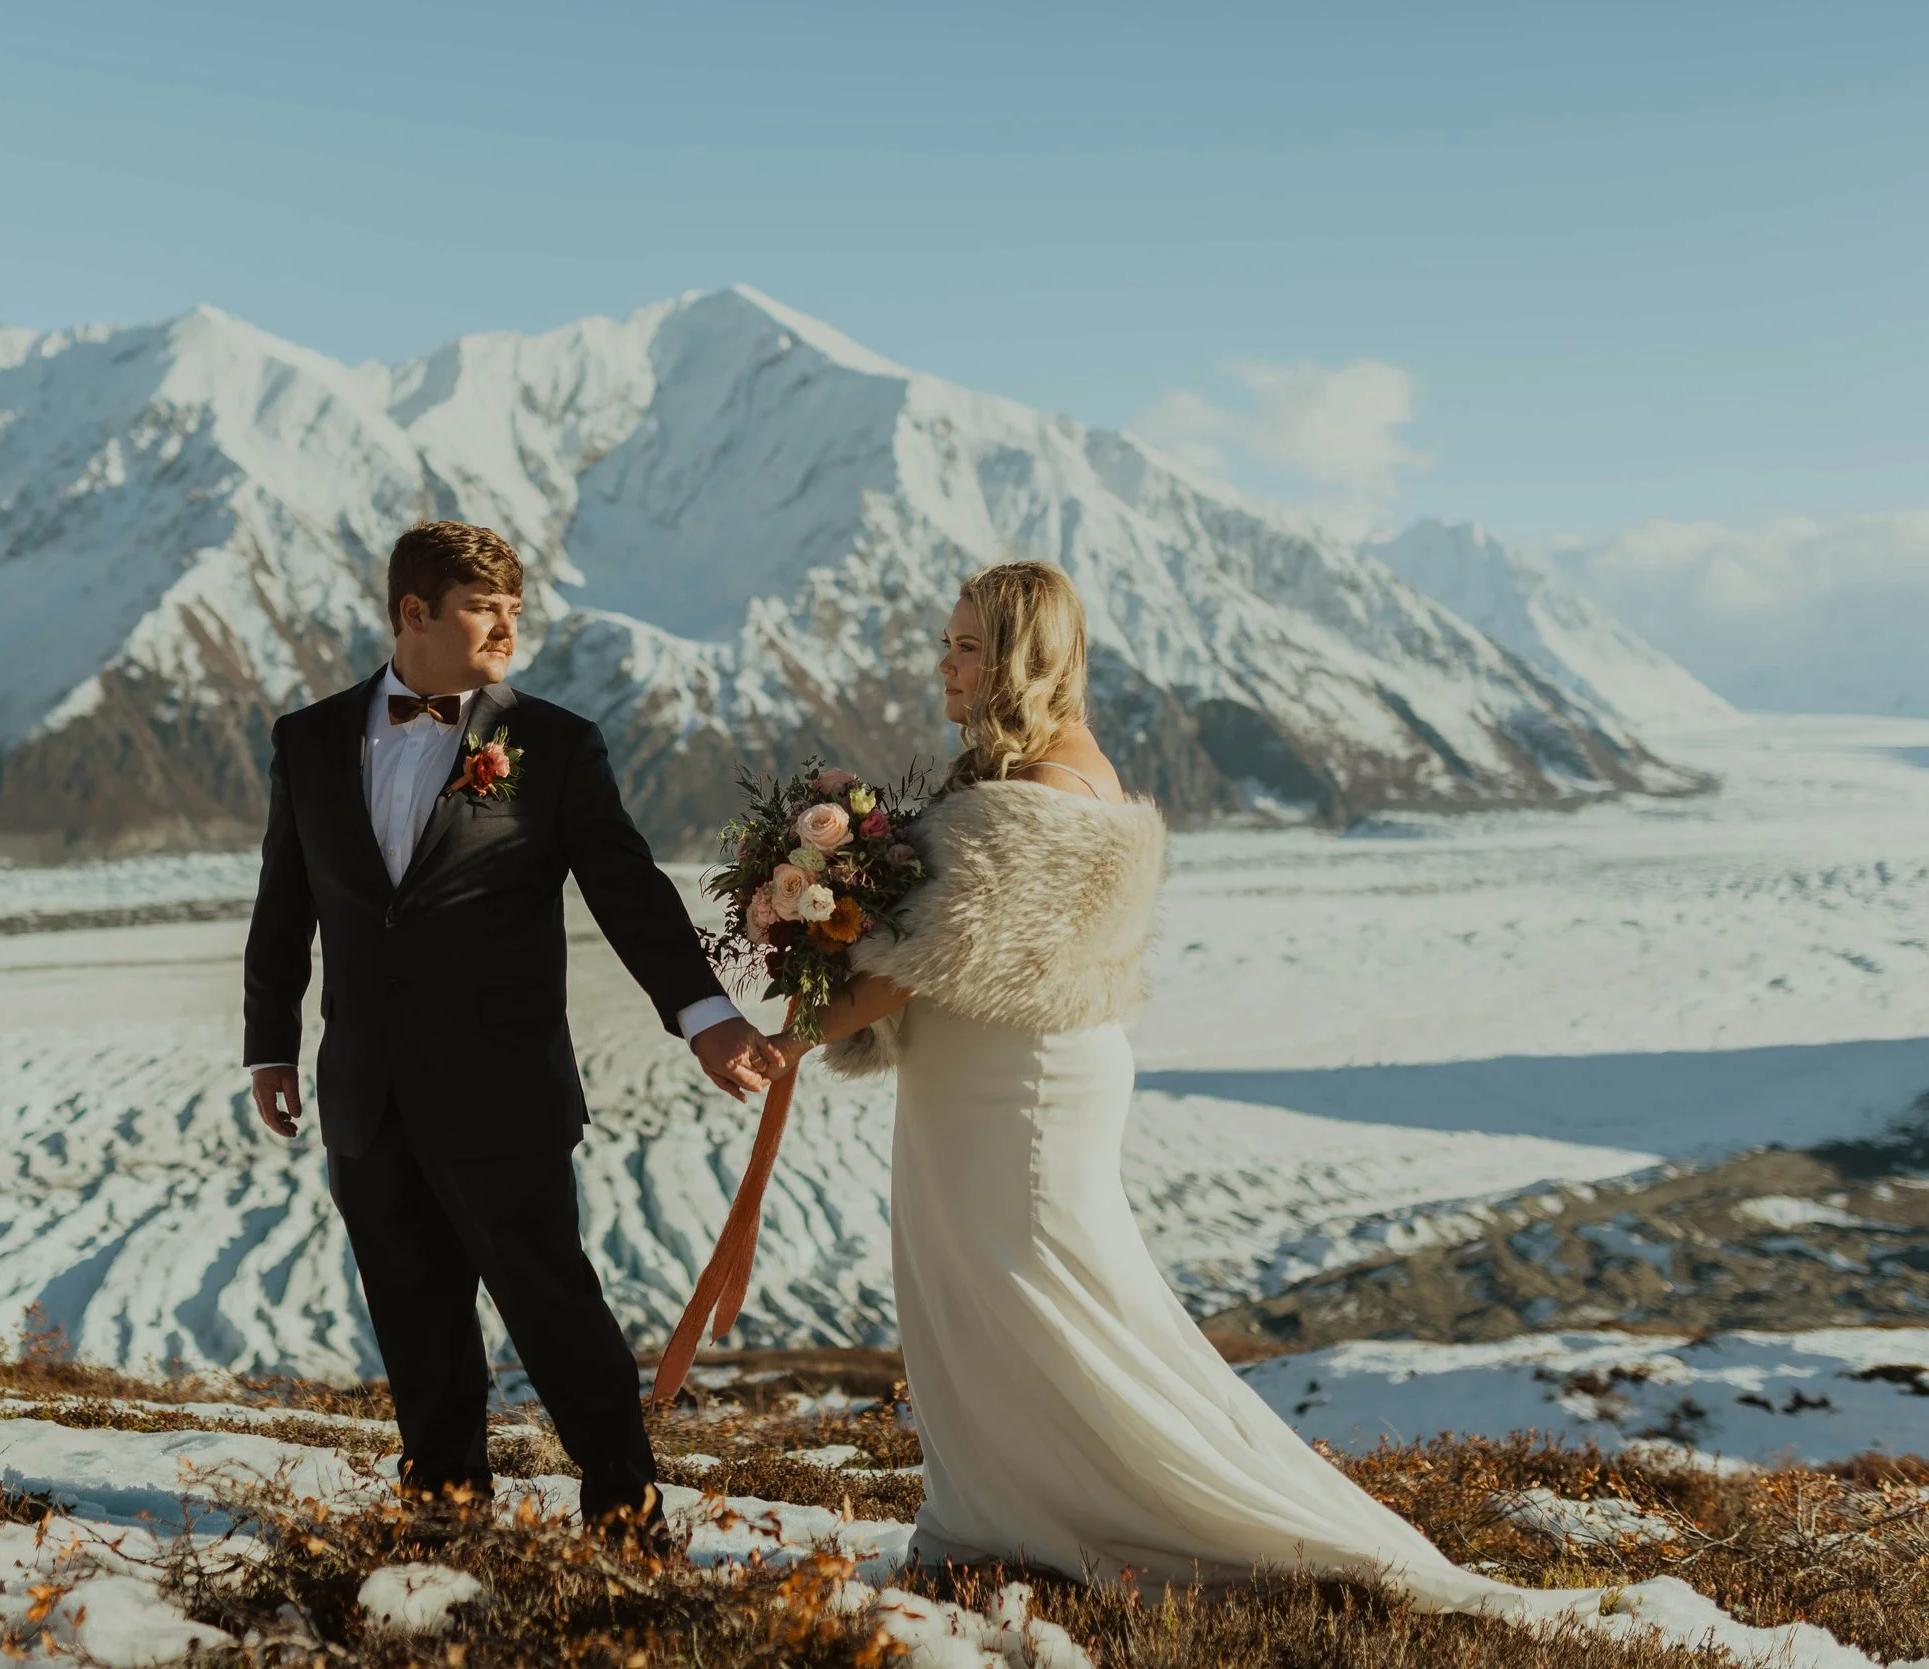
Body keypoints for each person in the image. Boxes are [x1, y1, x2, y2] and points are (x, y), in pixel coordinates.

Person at [766, 561, 1606, 1621]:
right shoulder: (1045, 768)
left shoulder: (1033, 792)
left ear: (1024, 655)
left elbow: (921, 958)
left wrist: (791, 1027)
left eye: (970, 645)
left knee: (1039, 1298)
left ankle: (1096, 1518)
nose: (947, 663)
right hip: (998, 1072)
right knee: (1001, 1296)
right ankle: (999, 1514)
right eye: (947, 641)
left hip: (1010, 1086)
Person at [242, 520, 785, 1545]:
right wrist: (269, 1039)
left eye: (514, 610)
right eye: (482, 609)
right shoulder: (306, 740)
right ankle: (445, 1511)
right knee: (412, 1312)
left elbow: (628, 890)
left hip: (502, 1087)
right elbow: (284, 901)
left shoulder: (557, 743)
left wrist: (705, 1017)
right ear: (414, 613)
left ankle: (625, 1509)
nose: (506, 629)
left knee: (553, 1306)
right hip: (365, 1085)